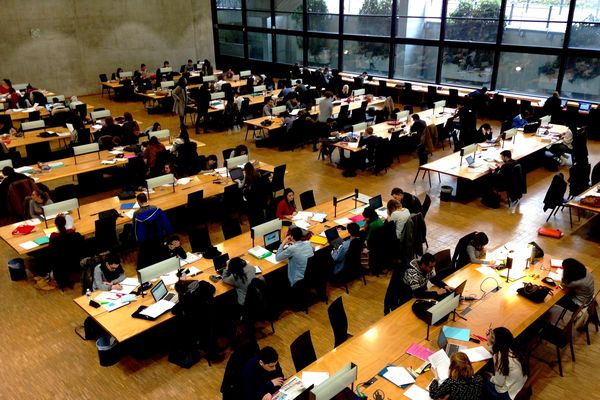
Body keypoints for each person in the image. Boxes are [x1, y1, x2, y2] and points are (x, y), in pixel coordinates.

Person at [484, 327, 528, 400]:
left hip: (508, 394)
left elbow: (499, 382)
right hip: (519, 385)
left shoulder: (500, 357)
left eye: (493, 337)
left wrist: (491, 377)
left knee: (483, 380)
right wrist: (490, 341)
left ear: (498, 342)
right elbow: (496, 350)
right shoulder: (513, 348)